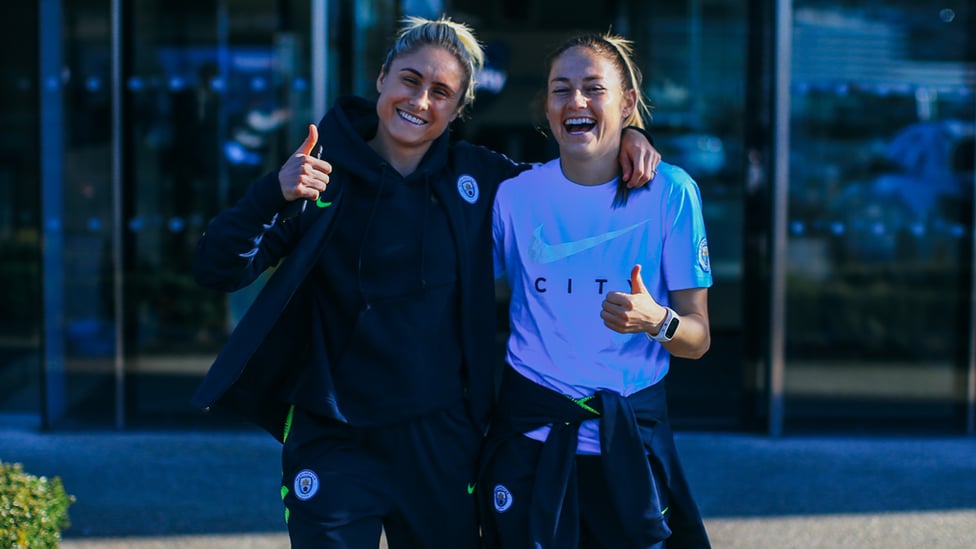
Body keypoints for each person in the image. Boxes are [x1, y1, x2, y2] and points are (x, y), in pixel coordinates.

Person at [190, 16, 660, 549]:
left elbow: (569, 176)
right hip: (333, 434)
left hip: (440, 439)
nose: (420, 101)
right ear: (383, 79)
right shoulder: (321, 175)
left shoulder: (481, 179)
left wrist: (629, 136)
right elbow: (218, 267)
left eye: (441, 92)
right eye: (410, 81)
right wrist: (273, 192)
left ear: (458, 109)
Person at [482, 32, 713, 548]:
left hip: (628, 446)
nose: (576, 102)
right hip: (530, 441)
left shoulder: (670, 192)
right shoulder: (515, 196)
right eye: (560, 90)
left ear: (627, 103)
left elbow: (697, 339)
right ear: (546, 107)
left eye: (594, 88)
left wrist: (657, 320)